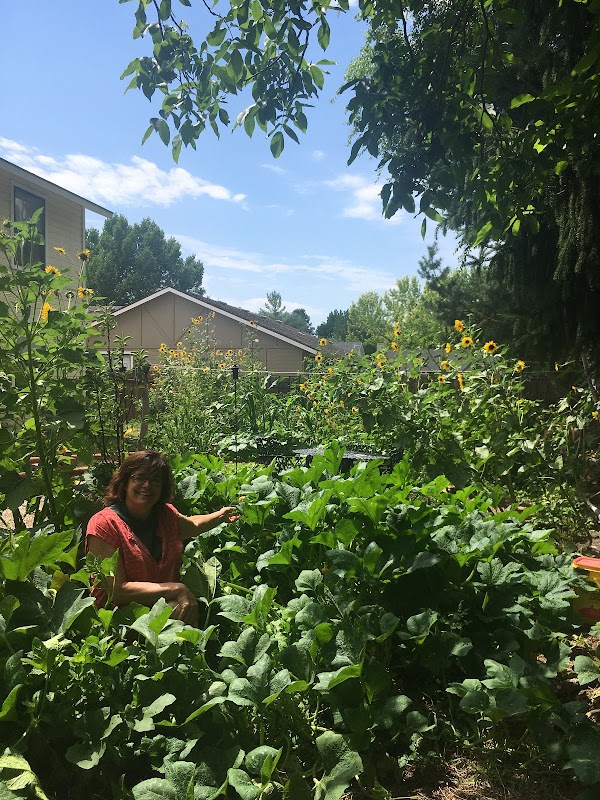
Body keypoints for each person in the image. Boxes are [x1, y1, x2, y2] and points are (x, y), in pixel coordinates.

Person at [85, 450, 239, 626]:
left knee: (179, 607)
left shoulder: (165, 516)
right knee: (177, 608)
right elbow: (116, 591)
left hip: (159, 602)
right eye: (139, 478)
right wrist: (176, 589)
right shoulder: (104, 525)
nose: (147, 485)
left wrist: (221, 516)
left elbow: (193, 525)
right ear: (125, 482)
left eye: (155, 480)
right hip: (116, 618)